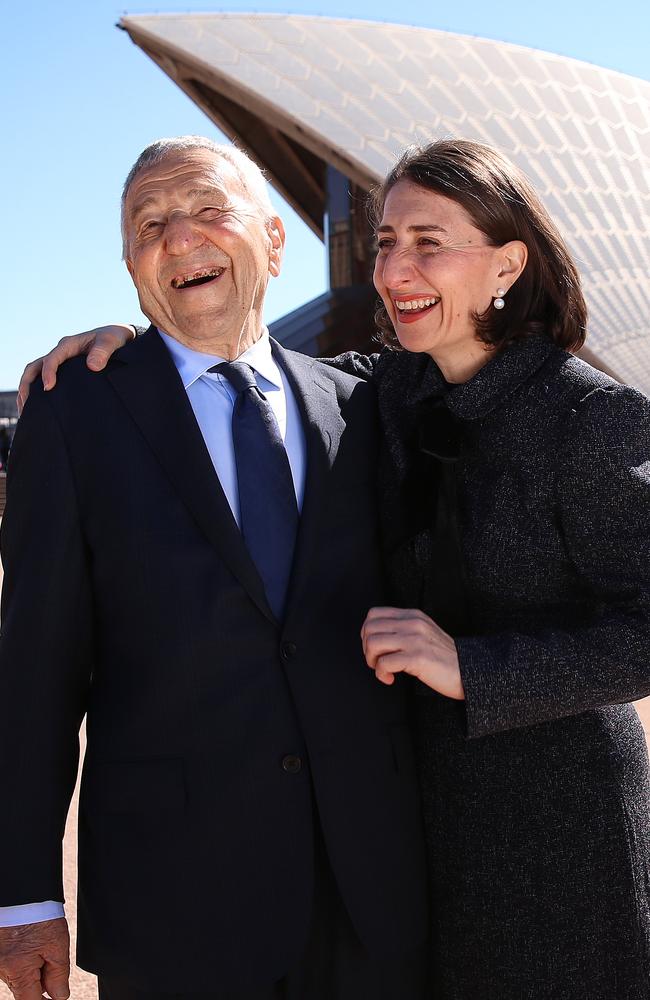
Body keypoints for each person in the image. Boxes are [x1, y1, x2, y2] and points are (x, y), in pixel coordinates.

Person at [28, 137, 650, 999]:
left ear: (510, 263)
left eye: (430, 241)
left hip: (524, 848)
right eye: (387, 242)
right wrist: (129, 338)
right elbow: (33, 671)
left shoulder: (578, 416)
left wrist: (475, 667)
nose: (397, 265)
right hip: (316, 873)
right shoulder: (383, 394)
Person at [0, 136, 430, 1000]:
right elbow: (35, 673)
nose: (180, 238)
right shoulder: (75, 408)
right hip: (176, 910)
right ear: (130, 267)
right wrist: (24, 899)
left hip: (368, 903)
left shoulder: (366, 407)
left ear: (274, 241)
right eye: (150, 224)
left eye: (207, 211)